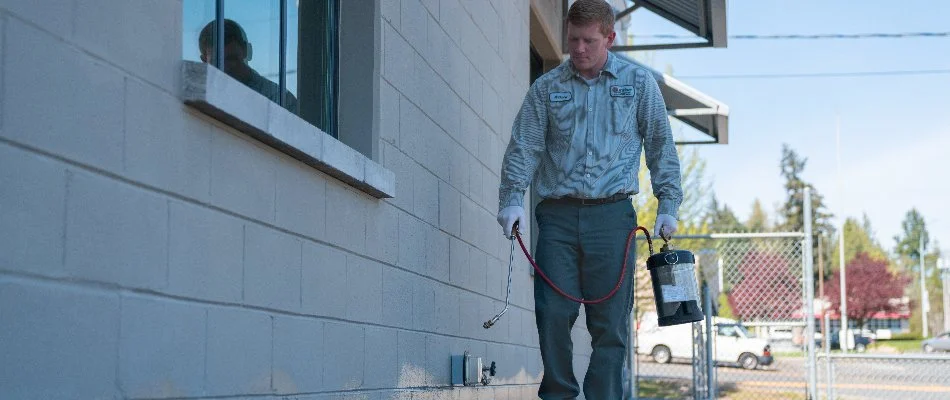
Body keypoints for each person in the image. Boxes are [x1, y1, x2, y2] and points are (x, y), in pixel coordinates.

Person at [496, 0, 683, 398]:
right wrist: (512, 198)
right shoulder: (547, 89)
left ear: (609, 38)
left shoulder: (637, 85)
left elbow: (661, 147)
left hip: (613, 218)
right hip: (557, 218)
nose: (578, 48)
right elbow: (524, 146)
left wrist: (668, 205)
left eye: (588, 40)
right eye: (572, 39)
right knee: (553, 313)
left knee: (611, 323)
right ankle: (559, 394)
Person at [198, 19, 299, 114]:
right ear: (204, 61)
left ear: (246, 50)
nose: (226, 68)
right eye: (217, 62)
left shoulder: (279, 100)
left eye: (232, 59)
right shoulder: (200, 97)